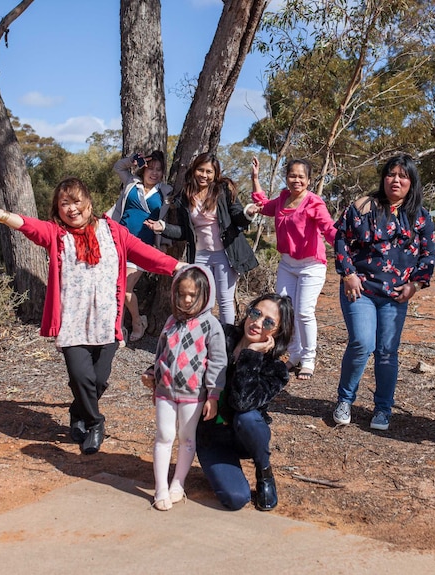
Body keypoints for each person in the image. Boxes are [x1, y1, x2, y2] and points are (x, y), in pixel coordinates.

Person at [0, 177, 182, 455]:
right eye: (64, 203)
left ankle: (77, 411)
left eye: (76, 201)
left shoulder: (114, 232)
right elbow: (30, 226)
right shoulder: (57, 234)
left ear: (89, 203)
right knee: (81, 377)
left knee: (99, 380)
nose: (71, 208)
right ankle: (95, 423)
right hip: (73, 324)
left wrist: (177, 267)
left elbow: (145, 254)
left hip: (106, 323)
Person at [332, 154, 435, 431]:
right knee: (362, 343)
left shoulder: (421, 217)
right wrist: (349, 274)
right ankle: (345, 400)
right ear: (383, 178)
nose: (396, 180)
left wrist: (415, 285)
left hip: (395, 295)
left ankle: (383, 409)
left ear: (411, 182)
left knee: (387, 351)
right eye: (391, 174)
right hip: (360, 289)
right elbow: (340, 238)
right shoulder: (363, 207)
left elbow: (428, 257)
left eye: (403, 176)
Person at [195, 293, 294, 511]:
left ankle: (264, 471)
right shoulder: (222, 334)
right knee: (236, 499)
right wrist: (155, 370)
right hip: (210, 435)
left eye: (268, 322)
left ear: (277, 332)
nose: (257, 323)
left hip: (244, 437)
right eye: (255, 313)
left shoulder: (275, 371)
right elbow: (185, 350)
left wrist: (251, 354)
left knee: (248, 417)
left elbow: (242, 402)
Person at [141, 264, 227, 511]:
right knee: (164, 436)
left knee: (187, 439)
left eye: (193, 295)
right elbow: (161, 354)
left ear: (205, 295)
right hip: (165, 391)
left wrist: (213, 394)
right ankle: (160, 488)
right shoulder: (170, 321)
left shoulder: (211, 325)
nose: (187, 300)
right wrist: (152, 375)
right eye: (182, 294)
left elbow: (218, 362)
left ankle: (178, 483)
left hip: (194, 395)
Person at [145, 152, 259, 325]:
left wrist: (248, 212)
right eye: (200, 170)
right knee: (201, 299)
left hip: (226, 254)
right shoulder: (186, 194)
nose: (204, 175)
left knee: (225, 300)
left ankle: (225, 342)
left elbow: (237, 216)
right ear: (194, 170)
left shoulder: (223, 191)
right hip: (200, 255)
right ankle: (201, 338)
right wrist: (163, 228)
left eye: (209, 172)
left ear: (215, 174)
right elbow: (185, 232)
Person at [251, 157, 337, 379]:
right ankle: (294, 354)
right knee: (286, 312)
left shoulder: (314, 202)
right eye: (292, 175)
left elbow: (329, 229)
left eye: (301, 176)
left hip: (311, 265)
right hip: (287, 264)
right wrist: (255, 178)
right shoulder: (281, 199)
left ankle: (308, 358)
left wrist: (347, 245)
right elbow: (263, 206)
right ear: (286, 177)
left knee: (304, 312)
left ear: (308, 180)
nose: (296, 180)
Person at [110, 150, 171, 342]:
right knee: (114, 287)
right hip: (119, 242)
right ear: (143, 170)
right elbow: (118, 167)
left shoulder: (165, 192)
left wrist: (165, 244)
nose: (154, 173)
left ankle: (137, 321)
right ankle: (118, 328)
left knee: (125, 287)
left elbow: (166, 219)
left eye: (159, 170)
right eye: (150, 168)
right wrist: (133, 161)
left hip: (143, 246)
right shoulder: (131, 183)